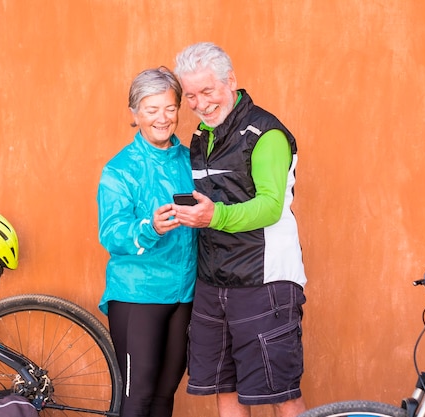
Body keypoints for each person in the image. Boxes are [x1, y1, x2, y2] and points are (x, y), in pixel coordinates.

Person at [172, 42, 308, 417]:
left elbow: (269, 205)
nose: (200, 104)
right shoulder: (202, 136)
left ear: (230, 81)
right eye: (191, 96)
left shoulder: (267, 134)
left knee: (281, 391)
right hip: (214, 284)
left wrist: (213, 217)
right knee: (225, 387)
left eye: (208, 91)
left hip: (265, 283)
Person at [97, 66, 197, 417]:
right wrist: (148, 228)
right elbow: (110, 232)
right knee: (137, 395)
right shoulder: (120, 170)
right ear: (134, 114)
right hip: (137, 294)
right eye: (152, 110)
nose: (162, 118)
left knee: (164, 393)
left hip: (184, 294)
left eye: (169, 108)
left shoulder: (191, 160)